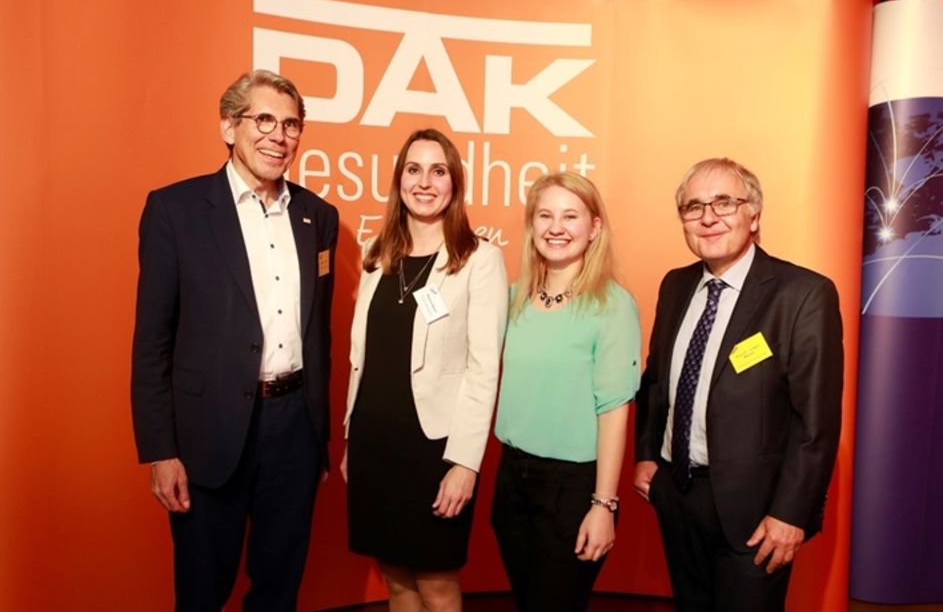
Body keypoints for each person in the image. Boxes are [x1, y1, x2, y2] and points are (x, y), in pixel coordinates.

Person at [131, 70, 338, 611]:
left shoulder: (320, 217)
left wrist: (318, 430)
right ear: (229, 126)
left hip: (294, 429)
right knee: (201, 591)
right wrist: (161, 451)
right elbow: (152, 341)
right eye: (263, 119)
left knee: (278, 588)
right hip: (209, 436)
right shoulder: (174, 211)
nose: (279, 135)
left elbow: (319, 334)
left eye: (291, 124)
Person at [633, 157, 843, 612]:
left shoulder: (803, 294)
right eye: (694, 207)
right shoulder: (675, 286)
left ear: (754, 213)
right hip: (678, 494)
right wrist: (648, 456)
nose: (708, 217)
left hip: (757, 513)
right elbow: (657, 380)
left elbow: (816, 423)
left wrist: (791, 514)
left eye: (724, 202)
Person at [341, 128, 508, 611]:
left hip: (434, 449)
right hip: (376, 444)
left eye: (438, 171)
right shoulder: (378, 257)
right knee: (395, 579)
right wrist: (353, 439)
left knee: (435, 583)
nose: (425, 182)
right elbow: (364, 361)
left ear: (454, 182)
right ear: (399, 180)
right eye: (413, 169)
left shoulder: (479, 260)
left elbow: (483, 369)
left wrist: (465, 464)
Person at [491, 171, 641, 612]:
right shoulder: (512, 298)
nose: (556, 227)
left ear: (594, 228)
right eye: (545, 215)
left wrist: (603, 505)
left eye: (571, 216)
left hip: (574, 488)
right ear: (532, 226)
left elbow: (615, 410)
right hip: (512, 479)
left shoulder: (613, 306)